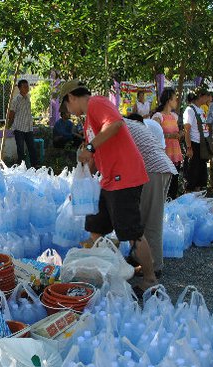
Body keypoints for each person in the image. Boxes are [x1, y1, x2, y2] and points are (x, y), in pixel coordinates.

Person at [58, 79, 158, 293]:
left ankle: (150, 279)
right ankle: (111, 269)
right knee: (95, 227)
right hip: (109, 180)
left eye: (66, 105)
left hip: (125, 177)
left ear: (71, 97)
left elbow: (115, 124)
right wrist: (80, 186)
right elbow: (93, 158)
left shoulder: (97, 103)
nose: (69, 110)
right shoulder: (88, 121)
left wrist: (90, 148)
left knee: (131, 232)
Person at [125, 114, 178, 276]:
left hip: (154, 170)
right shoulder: (129, 125)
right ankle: (140, 258)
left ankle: (154, 267)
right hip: (159, 169)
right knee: (143, 216)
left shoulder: (117, 126)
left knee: (151, 220)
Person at [152, 88, 183, 199]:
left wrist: (180, 134)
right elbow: (154, 135)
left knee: (174, 184)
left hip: (175, 153)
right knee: (165, 186)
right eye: (175, 99)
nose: (176, 102)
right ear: (169, 100)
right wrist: (170, 136)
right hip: (164, 155)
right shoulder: (158, 116)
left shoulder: (174, 116)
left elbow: (178, 131)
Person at [183, 88, 212, 192]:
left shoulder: (201, 109)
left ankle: (198, 196)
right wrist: (189, 147)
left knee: (201, 176)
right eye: (206, 96)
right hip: (194, 145)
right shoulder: (190, 110)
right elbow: (187, 129)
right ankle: (189, 197)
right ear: (200, 96)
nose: (208, 98)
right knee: (192, 175)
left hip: (202, 146)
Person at [7, 79, 38, 167]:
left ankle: (35, 166)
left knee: (32, 147)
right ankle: (21, 167)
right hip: (19, 128)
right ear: (20, 88)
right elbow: (11, 114)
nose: (27, 88)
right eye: (24, 87)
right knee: (20, 149)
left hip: (28, 128)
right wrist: (9, 125)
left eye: (27, 86)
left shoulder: (28, 98)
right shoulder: (16, 100)